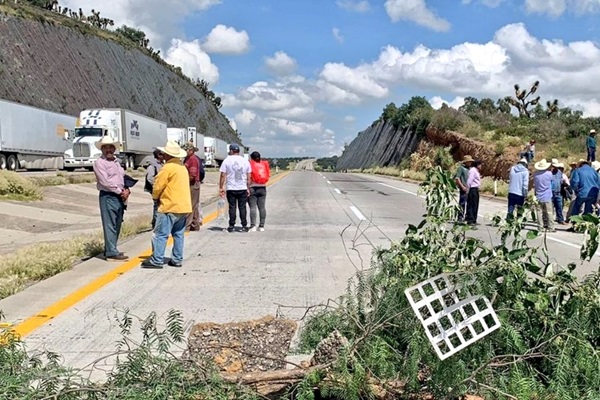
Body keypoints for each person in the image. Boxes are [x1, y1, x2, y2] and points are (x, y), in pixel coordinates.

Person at [141, 141, 192, 269]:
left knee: (161, 234)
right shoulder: (182, 167)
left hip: (169, 205)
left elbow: (158, 186)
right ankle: (177, 259)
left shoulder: (167, 168)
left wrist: (155, 197)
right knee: (178, 234)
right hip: (183, 206)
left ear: (167, 155)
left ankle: (157, 259)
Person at [93, 136, 130, 261]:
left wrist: (127, 190)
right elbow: (105, 181)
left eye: (110, 147)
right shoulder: (99, 163)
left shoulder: (117, 162)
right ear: (102, 149)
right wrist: (120, 191)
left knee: (117, 223)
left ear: (114, 148)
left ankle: (110, 248)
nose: (108, 150)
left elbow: (122, 178)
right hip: (108, 195)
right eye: (105, 147)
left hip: (119, 196)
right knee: (110, 224)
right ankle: (111, 252)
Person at [219, 143, 252, 232]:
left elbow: (223, 174)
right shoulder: (245, 161)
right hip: (242, 187)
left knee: (232, 207)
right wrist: (248, 188)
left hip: (231, 187)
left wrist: (221, 187)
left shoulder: (227, 160)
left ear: (231, 151)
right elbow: (249, 176)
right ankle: (244, 225)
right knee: (242, 207)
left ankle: (231, 225)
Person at [248, 151, 271, 231]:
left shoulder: (250, 164)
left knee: (252, 207)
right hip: (262, 188)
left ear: (251, 157)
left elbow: (248, 176)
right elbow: (268, 174)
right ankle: (261, 226)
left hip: (253, 187)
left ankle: (253, 226)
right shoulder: (264, 164)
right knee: (262, 207)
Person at [182, 142, 202, 231]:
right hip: (191, 183)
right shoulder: (187, 159)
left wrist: (184, 183)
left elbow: (192, 175)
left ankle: (188, 226)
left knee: (190, 205)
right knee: (193, 205)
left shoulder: (192, 159)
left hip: (192, 184)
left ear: (190, 150)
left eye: (185, 150)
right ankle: (195, 225)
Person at [533, 159, 554, 232]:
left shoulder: (535, 174)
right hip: (547, 195)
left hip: (538, 195)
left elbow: (535, 185)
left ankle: (540, 227)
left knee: (539, 212)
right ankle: (551, 227)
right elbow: (552, 181)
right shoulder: (549, 174)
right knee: (549, 212)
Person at [145, 149, 164, 229]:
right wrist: (156, 186)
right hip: (155, 189)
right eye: (162, 154)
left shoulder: (161, 164)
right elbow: (150, 178)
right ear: (159, 155)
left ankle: (157, 222)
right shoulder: (152, 165)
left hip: (161, 188)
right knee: (157, 205)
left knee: (160, 204)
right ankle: (155, 223)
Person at [453, 155, 473, 221]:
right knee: (462, 203)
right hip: (463, 188)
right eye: (469, 162)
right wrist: (462, 186)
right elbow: (457, 178)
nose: (470, 163)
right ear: (466, 162)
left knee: (469, 203)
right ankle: (460, 216)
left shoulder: (470, 169)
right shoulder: (461, 168)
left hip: (469, 188)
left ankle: (467, 216)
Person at [465, 160, 482, 227]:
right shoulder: (473, 170)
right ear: (477, 165)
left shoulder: (476, 171)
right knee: (471, 205)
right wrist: (467, 189)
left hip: (475, 189)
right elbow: (469, 180)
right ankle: (470, 220)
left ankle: (474, 219)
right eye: (480, 165)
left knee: (475, 204)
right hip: (472, 189)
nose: (481, 166)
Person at [550, 160, 566, 225]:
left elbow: (561, 180)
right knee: (550, 208)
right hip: (551, 192)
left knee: (559, 206)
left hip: (558, 192)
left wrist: (563, 182)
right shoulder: (549, 172)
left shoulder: (559, 172)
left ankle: (560, 219)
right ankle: (549, 220)